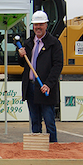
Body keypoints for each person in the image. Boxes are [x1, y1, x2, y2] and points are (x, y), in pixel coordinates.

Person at [18, 11, 63, 142]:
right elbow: (23, 65)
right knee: (35, 122)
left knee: (49, 122)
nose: (38, 27)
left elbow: (58, 66)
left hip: (45, 88)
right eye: (35, 25)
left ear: (46, 25)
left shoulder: (54, 43)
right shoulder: (28, 43)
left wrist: (49, 84)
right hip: (31, 88)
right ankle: (37, 149)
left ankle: (53, 149)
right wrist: (20, 56)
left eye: (41, 24)